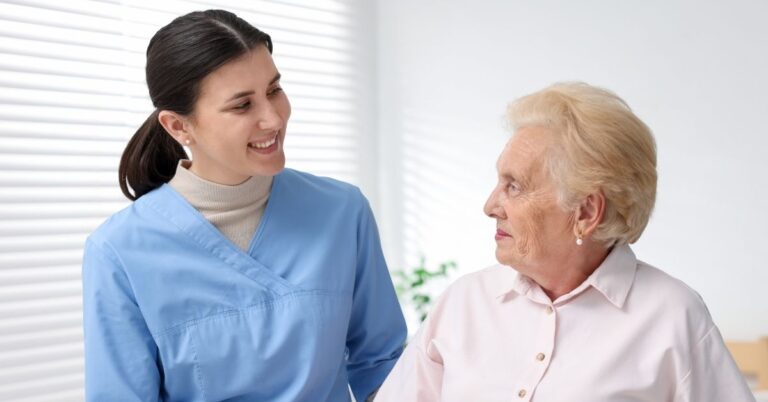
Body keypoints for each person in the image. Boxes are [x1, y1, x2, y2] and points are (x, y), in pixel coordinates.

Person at [81, 9, 406, 402]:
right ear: (178, 126)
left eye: (274, 90)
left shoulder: (342, 212)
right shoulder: (120, 250)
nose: (273, 118)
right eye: (242, 105)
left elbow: (383, 369)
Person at [375, 82, 754, 402]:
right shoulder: (462, 305)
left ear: (587, 212)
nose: (490, 206)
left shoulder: (672, 315)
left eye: (514, 186)